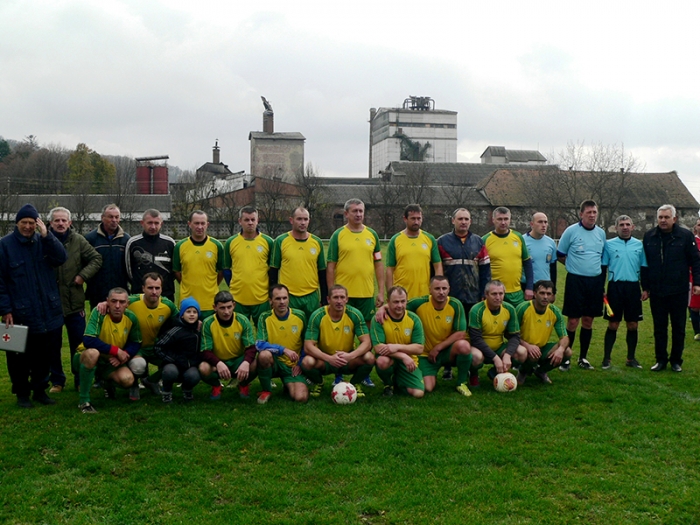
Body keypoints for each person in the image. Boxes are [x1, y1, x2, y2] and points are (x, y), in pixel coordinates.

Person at [0, 204, 67, 408]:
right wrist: (5, 310)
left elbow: (61, 258)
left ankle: (40, 390)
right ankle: (22, 393)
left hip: (48, 310)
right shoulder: (4, 245)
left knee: (43, 355)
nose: (28, 227)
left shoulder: (44, 241)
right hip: (19, 312)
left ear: (38, 223)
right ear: (17, 223)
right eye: (24, 223)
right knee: (17, 356)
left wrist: (47, 236)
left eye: (32, 223)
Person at [378, 276, 472, 396]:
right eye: (437, 288)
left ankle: (461, 383)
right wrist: (383, 308)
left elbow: (461, 333)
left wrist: (438, 348)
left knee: (464, 345)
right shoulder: (419, 303)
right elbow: (399, 305)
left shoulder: (455, 304)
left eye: (444, 288)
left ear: (449, 289)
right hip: (425, 354)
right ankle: (397, 379)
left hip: (445, 350)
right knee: (428, 388)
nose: (441, 292)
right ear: (430, 290)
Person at [327, 198, 384, 388]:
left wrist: (381, 291)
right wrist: (330, 292)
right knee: (343, 336)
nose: (358, 214)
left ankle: (363, 373)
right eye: (355, 211)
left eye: (361, 211)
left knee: (365, 335)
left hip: (366, 294)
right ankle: (339, 373)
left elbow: (378, 264)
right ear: (346, 214)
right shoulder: (338, 235)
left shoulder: (372, 235)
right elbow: (331, 266)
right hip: (343, 298)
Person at [48, 206, 102, 392]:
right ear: (51, 223)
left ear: (70, 223)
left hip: (75, 303)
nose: (61, 223)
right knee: (53, 344)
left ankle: (80, 380)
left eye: (64, 220)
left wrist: (82, 276)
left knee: (79, 344)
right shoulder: (43, 241)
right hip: (52, 303)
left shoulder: (78, 240)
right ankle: (57, 381)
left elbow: (96, 259)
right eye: (57, 220)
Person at [642, 204, 700, 372]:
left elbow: (696, 261)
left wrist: (697, 283)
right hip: (657, 291)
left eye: (666, 217)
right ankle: (660, 360)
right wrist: (645, 287)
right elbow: (645, 265)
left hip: (679, 290)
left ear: (674, 219)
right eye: (660, 217)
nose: (663, 220)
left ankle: (676, 361)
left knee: (678, 327)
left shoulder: (685, 236)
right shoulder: (649, 237)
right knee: (659, 328)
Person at [437, 207, 491, 381]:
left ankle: (468, 366)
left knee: (470, 333)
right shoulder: (442, 242)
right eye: (460, 219)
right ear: (453, 221)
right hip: (449, 297)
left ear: (471, 221)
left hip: (473, 296)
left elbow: (485, 270)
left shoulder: (478, 242)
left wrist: (484, 292)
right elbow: (436, 271)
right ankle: (447, 367)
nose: (463, 222)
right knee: (447, 332)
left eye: (466, 219)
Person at [74, 287, 142, 413]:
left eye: (122, 302)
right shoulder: (99, 312)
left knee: (127, 380)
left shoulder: (131, 318)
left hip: (109, 361)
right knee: (93, 353)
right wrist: (116, 351)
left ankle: (107, 383)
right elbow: (89, 340)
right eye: (113, 301)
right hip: (85, 356)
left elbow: (136, 342)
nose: (117, 305)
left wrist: (124, 355)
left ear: (127, 304)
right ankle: (84, 401)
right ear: (107, 301)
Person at [556, 200, 606, 371]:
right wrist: (574, 267)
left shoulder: (601, 233)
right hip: (575, 281)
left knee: (588, 320)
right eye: (589, 212)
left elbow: (601, 258)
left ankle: (583, 358)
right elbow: (560, 254)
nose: (592, 215)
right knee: (573, 321)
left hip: (595, 282)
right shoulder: (571, 231)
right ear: (581, 214)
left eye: (594, 212)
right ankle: (566, 358)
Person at [302, 285, 374, 397]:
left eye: (342, 297)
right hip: (325, 360)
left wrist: (350, 356)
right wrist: (329, 358)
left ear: (347, 299)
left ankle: (354, 385)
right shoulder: (317, 315)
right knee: (307, 361)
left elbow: (367, 342)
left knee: (369, 357)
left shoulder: (354, 314)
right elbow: (308, 346)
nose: (339, 301)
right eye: (335, 297)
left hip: (347, 359)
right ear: (328, 299)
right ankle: (318, 383)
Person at [601, 215, 648, 369]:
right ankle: (606, 359)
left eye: (628, 224)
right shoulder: (609, 245)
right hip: (615, 288)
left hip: (633, 288)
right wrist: (602, 289)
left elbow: (644, 268)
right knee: (613, 324)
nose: (625, 227)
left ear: (633, 227)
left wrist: (645, 288)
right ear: (616, 227)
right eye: (621, 224)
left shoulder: (639, 246)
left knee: (633, 324)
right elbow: (603, 267)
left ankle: (631, 358)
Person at [124, 273, 178, 400]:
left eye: (157, 288)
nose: (154, 292)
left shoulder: (167, 305)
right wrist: (103, 304)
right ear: (143, 288)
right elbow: (114, 304)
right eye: (150, 288)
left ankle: (151, 381)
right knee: (138, 365)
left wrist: (195, 322)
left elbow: (181, 319)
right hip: (136, 348)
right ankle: (134, 385)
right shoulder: (131, 301)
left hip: (156, 347)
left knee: (174, 362)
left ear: (162, 289)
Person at [270, 207, 327, 320]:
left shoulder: (317, 242)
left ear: (309, 221)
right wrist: (272, 296)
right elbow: (273, 271)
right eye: (299, 219)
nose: (302, 222)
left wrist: (324, 298)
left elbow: (322, 272)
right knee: (291, 331)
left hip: (311, 296)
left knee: (311, 332)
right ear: (291, 220)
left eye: (305, 219)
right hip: (289, 296)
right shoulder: (280, 241)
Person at [199, 291, 258, 400]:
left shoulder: (242, 320)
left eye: (229, 307)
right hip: (218, 361)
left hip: (237, 361)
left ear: (234, 305)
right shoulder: (208, 323)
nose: (226, 311)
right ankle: (216, 385)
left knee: (255, 363)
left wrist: (245, 362)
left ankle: (243, 384)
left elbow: (251, 347)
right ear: (214, 307)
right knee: (203, 367)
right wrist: (218, 363)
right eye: (222, 308)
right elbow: (205, 351)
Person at [256, 284, 308, 403]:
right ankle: (266, 390)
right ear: (270, 301)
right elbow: (259, 344)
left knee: (301, 398)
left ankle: (288, 384)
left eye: (285, 298)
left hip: (292, 365)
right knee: (264, 355)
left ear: (289, 299)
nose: (282, 302)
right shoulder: (265, 317)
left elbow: (308, 342)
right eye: (278, 299)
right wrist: (283, 349)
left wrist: (300, 363)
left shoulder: (300, 316)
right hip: (274, 362)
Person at [370, 286, 425, 398]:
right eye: (395, 302)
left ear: (407, 301)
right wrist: (403, 356)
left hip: (410, 361)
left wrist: (396, 347)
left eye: (402, 301)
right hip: (390, 357)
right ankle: (387, 384)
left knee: (418, 394)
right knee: (382, 361)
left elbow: (419, 348)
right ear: (388, 302)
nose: (399, 305)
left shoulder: (414, 319)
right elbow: (378, 348)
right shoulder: (379, 319)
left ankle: (397, 379)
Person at [224, 206, 274, 326]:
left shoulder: (268, 242)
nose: (250, 223)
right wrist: (235, 285)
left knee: (265, 333)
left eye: (253, 219)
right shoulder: (230, 242)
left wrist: (271, 292)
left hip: (262, 299)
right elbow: (226, 269)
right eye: (246, 220)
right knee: (238, 334)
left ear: (258, 220)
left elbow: (273, 270)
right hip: (238, 299)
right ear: (239, 221)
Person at [515, 280, 571, 385]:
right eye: (542, 293)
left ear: (552, 296)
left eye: (548, 294)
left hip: (542, 347)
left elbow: (565, 337)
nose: (545, 297)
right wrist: (527, 345)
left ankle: (541, 371)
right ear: (535, 294)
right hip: (523, 347)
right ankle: (523, 372)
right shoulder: (523, 308)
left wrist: (561, 349)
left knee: (567, 351)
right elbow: (511, 334)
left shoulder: (555, 311)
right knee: (533, 353)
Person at [468, 280, 524, 383]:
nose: (498, 297)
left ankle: (494, 372)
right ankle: (473, 374)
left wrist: (507, 355)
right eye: (494, 294)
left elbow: (515, 336)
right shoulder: (476, 310)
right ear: (486, 294)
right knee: (476, 357)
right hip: (479, 348)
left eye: (501, 293)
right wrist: (495, 358)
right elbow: (475, 339)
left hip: (499, 347)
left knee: (522, 352)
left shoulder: (509, 309)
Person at [173, 210, 224, 318]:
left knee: (208, 333)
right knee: (188, 334)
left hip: (210, 301)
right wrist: (188, 283)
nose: (200, 227)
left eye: (202, 223)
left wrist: (210, 285)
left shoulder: (217, 245)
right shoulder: (180, 246)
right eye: (196, 223)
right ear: (189, 224)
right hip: (187, 301)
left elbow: (221, 272)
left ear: (207, 224)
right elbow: (176, 271)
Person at [385, 204, 443, 299]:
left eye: (418, 218)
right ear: (405, 219)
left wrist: (437, 288)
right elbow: (389, 270)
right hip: (401, 296)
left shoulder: (429, 239)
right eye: (413, 218)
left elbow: (437, 266)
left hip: (424, 294)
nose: (416, 222)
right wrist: (390, 294)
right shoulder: (395, 240)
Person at [154, 297, 202, 403]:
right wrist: (174, 359)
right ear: (182, 314)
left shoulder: (198, 331)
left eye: (195, 312)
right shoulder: (174, 330)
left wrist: (194, 362)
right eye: (188, 311)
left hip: (189, 365)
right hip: (173, 363)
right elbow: (158, 347)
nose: (192, 314)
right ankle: (166, 391)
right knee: (170, 372)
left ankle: (187, 389)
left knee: (194, 375)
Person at [482, 206, 533, 307]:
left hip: (516, 292)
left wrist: (529, 287)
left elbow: (527, 263)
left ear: (510, 220)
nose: (503, 222)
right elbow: (481, 269)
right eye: (499, 219)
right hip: (495, 293)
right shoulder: (485, 240)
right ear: (493, 220)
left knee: (517, 321)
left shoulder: (518, 237)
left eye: (506, 219)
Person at [85, 204, 130, 308]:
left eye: (117, 217)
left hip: (120, 291)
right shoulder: (91, 239)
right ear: (102, 218)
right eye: (110, 217)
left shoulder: (126, 239)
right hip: (97, 292)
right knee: (99, 321)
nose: (114, 220)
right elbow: (84, 264)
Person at [125, 209, 176, 301]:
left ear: (161, 224)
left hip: (166, 295)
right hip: (139, 295)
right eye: (150, 223)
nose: (153, 226)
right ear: (142, 223)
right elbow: (128, 270)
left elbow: (174, 270)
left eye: (156, 223)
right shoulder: (133, 243)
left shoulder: (170, 243)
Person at [523, 212, 557, 296]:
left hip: (545, 287)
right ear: (532, 224)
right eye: (540, 222)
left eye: (545, 222)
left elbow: (553, 268)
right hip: (527, 286)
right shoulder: (522, 240)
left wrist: (553, 291)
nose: (543, 225)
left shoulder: (551, 242)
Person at [688, 218, 700, 340]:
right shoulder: (692, 241)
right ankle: (697, 331)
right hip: (694, 278)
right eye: (699, 225)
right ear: (695, 227)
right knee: (695, 306)